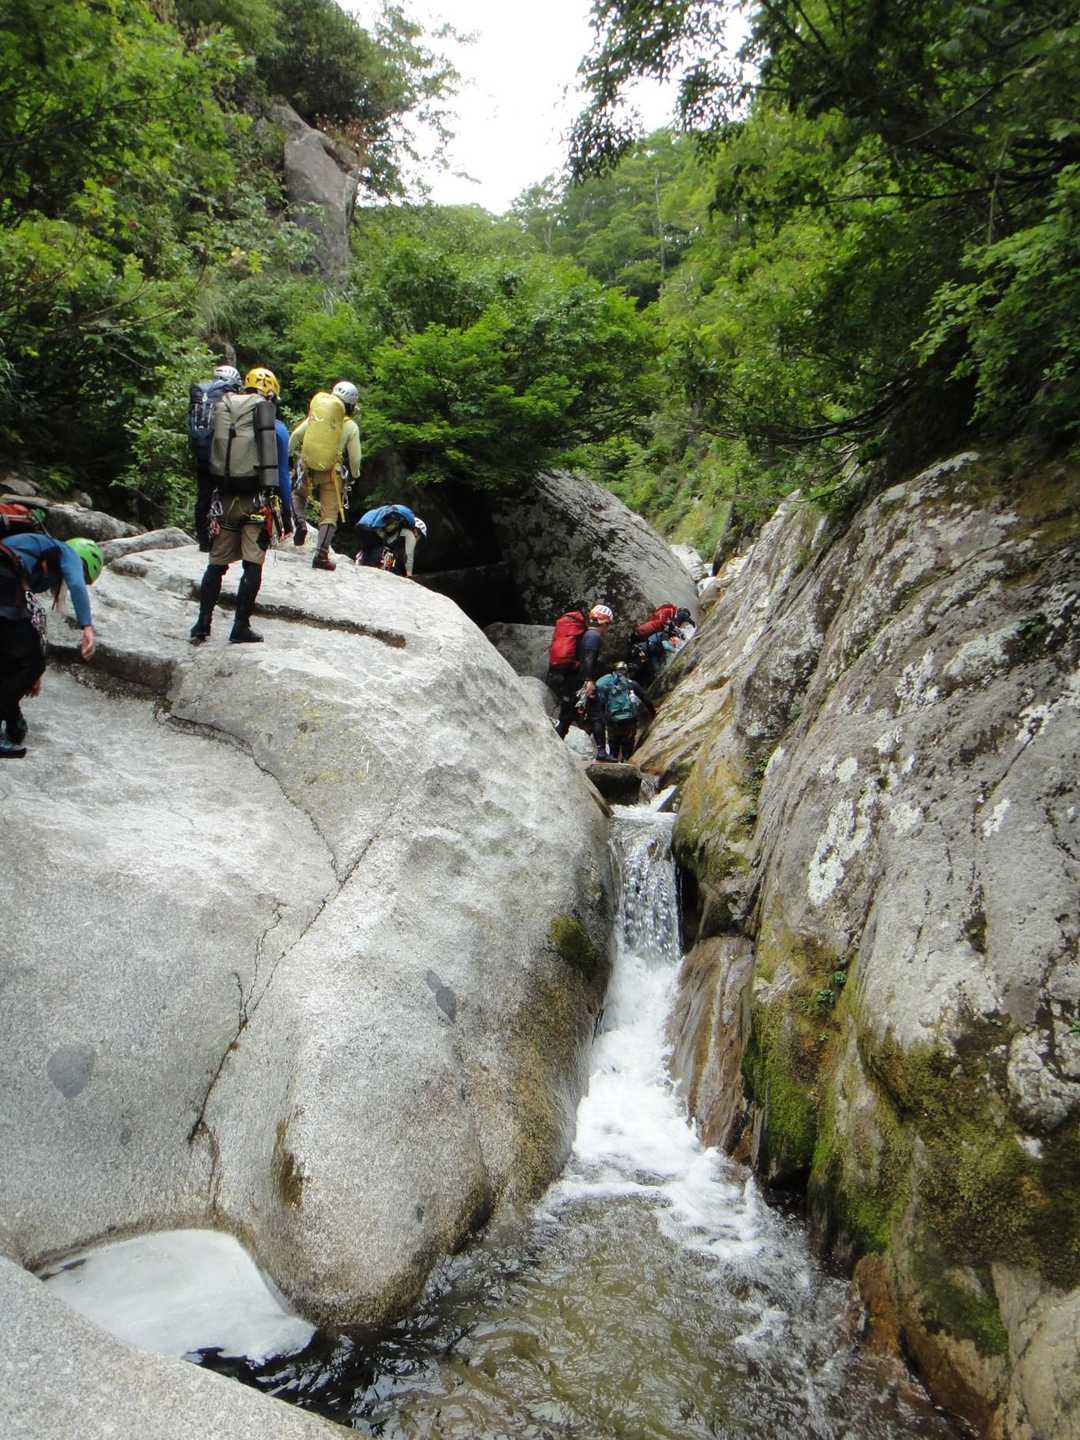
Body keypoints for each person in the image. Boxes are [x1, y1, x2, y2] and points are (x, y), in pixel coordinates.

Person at [189, 365, 293, 646]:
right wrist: (288, 514)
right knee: (252, 564)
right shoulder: (274, 427)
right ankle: (240, 627)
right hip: (256, 504)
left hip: (223, 499)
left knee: (216, 564)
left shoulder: (224, 409)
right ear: (271, 395)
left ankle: (202, 624)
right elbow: (281, 474)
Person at [0, 533, 102, 757]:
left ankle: (13, 720)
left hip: (6, 581)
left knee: (11, 658)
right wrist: (87, 627)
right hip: (4, 578)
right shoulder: (68, 553)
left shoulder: (37, 557)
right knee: (31, 663)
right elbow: (76, 585)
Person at [289, 380, 362, 571]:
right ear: (351, 405)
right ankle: (321, 556)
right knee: (329, 514)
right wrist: (355, 473)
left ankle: (300, 522)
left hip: (307, 466)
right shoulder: (350, 426)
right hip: (331, 471)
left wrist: (288, 456)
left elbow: (296, 435)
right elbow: (355, 458)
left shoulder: (318, 416)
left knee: (298, 495)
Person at [189, 364, 242, 551]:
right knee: (227, 494)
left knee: (203, 495)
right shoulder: (229, 398)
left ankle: (203, 540)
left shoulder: (202, 396)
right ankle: (225, 539)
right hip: (221, 455)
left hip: (201, 451)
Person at [547, 603, 614, 745]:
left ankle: (554, 744)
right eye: (608, 625)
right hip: (581, 682)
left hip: (570, 680)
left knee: (566, 717)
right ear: (605, 623)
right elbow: (588, 658)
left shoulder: (585, 634)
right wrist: (588, 680)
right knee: (597, 716)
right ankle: (602, 752)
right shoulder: (594, 636)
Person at [595, 661, 656, 762]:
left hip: (613, 722)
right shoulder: (632, 684)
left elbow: (602, 704)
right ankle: (626, 761)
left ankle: (613, 762)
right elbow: (646, 699)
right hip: (630, 721)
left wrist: (603, 720)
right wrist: (653, 714)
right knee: (628, 747)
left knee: (613, 749)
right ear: (627, 672)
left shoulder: (608, 686)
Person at [354, 504, 427, 577]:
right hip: (377, 554)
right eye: (418, 535)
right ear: (415, 531)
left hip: (365, 534)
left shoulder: (394, 529)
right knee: (389, 554)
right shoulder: (400, 535)